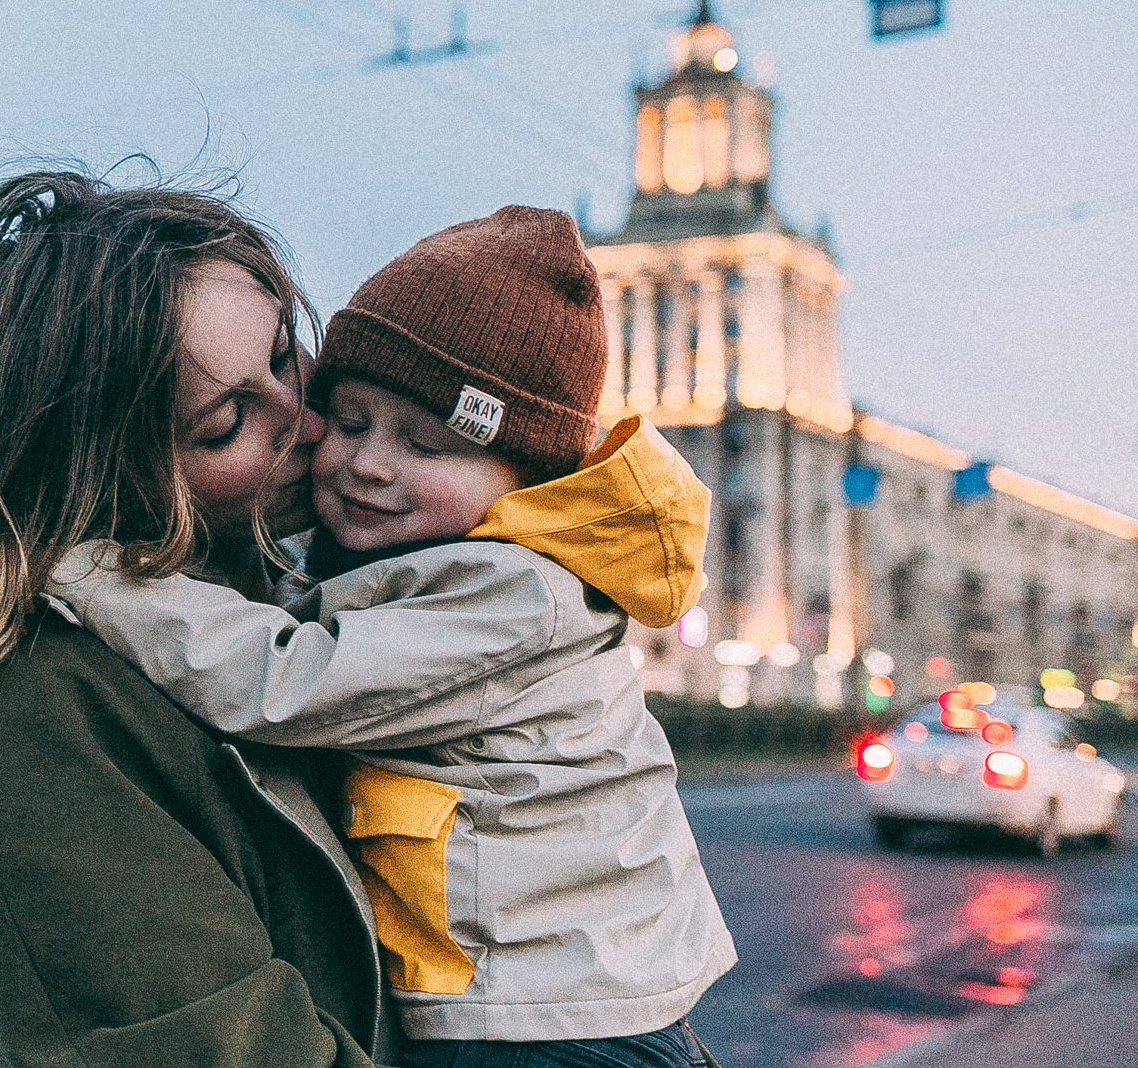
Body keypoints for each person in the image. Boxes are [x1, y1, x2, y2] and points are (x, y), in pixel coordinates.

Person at [49, 207, 735, 1068]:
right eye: (351, 417)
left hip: (549, 1024)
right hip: (535, 999)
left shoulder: (508, 593)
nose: (369, 463)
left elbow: (279, 678)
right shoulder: (440, 560)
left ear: (517, 483)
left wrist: (90, 573)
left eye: (425, 444)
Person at [0, 169, 397, 1066]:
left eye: (282, 354)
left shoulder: (256, 620)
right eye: (231, 419)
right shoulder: (46, 704)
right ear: (109, 474)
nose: (309, 420)